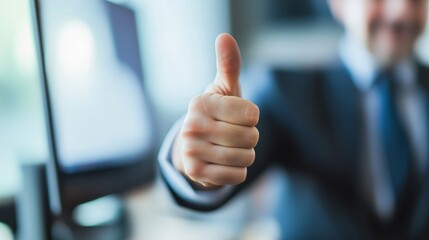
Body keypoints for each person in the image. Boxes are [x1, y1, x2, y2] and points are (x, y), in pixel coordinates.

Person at [158, 0, 429, 238]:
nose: (401, 11)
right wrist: (189, 157)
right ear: (339, 3)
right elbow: (236, 147)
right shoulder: (285, 92)